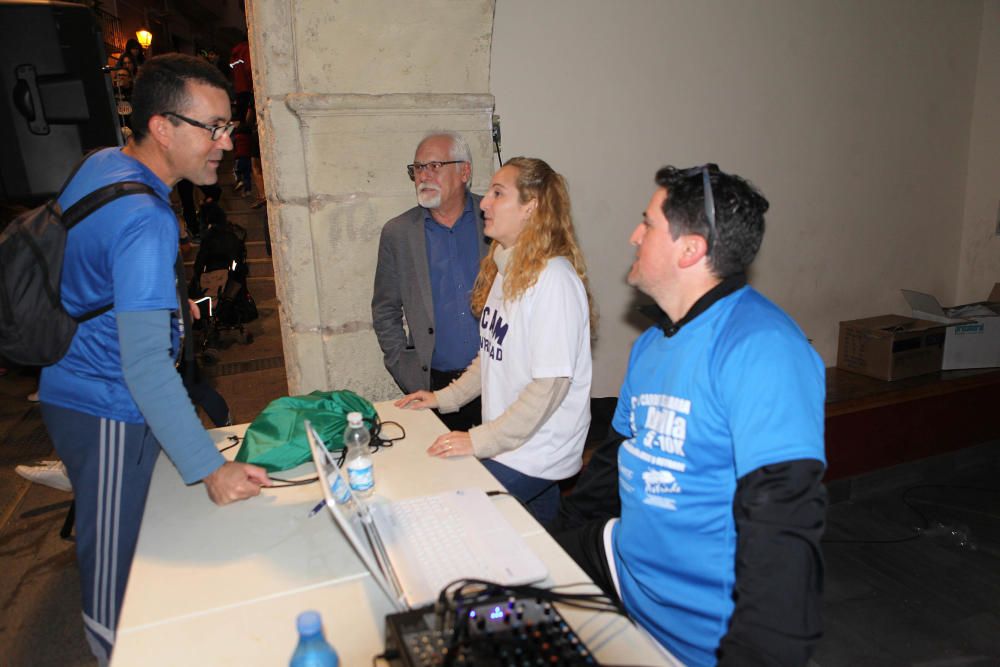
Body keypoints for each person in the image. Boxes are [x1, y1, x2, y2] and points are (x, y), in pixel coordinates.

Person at [37, 53, 270, 664]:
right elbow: (142, 367)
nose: (226, 141)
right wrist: (210, 468)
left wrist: (166, 308)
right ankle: (113, 650)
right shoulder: (148, 218)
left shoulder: (104, 163)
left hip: (71, 379)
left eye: (228, 126)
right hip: (107, 403)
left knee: (145, 524)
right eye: (213, 127)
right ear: (163, 127)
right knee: (113, 553)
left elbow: (91, 272)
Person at [552, 164, 827, 666]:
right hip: (627, 570)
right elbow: (613, 464)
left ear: (690, 248)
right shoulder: (654, 343)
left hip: (697, 634)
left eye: (648, 223)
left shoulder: (762, 348)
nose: (635, 235)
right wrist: (547, 549)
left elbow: (785, 524)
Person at [396, 157, 595, 525]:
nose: (484, 202)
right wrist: (443, 398)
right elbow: (490, 354)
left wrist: (479, 440)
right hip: (514, 443)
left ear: (530, 207)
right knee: (544, 542)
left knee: (459, 516)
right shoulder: (508, 269)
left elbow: (549, 387)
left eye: (498, 194)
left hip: (535, 451)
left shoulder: (553, 281)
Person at [372, 132, 491, 431]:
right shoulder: (399, 234)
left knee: (500, 470)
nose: (423, 176)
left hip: (497, 375)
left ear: (464, 171)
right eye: (417, 168)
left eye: (434, 166)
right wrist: (405, 370)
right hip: (434, 383)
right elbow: (385, 309)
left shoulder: (493, 219)